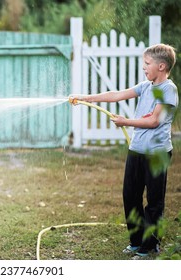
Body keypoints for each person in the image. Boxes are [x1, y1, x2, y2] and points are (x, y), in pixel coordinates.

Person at [70, 43, 179, 259]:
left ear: (162, 66)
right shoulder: (146, 86)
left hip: (156, 153)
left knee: (154, 202)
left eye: (147, 64)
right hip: (136, 150)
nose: (144, 68)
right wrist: (85, 98)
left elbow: (155, 121)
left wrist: (125, 122)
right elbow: (116, 95)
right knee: (130, 196)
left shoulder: (168, 89)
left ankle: (150, 247)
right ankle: (136, 242)